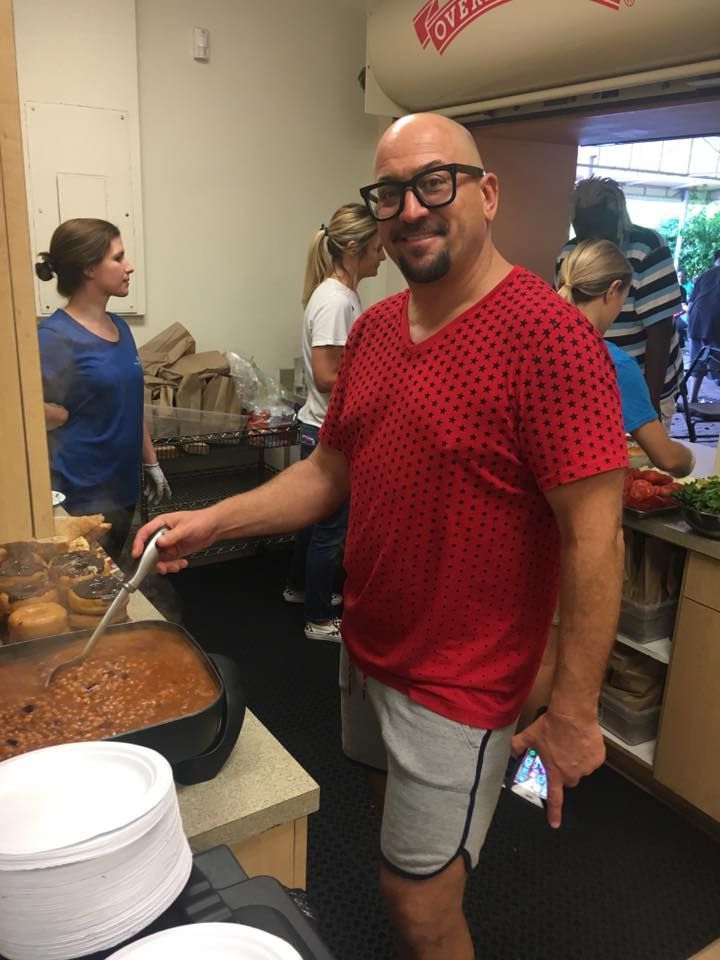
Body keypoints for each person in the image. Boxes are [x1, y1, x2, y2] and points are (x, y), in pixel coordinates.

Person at [134, 114, 628, 960]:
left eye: (436, 182)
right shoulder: (373, 328)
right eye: (391, 191)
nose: (411, 209)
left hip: (463, 677)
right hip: (368, 648)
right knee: (384, 812)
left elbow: (596, 536)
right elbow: (330, 473)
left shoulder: (547, 335)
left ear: (487, 192)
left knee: (416, 903)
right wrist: (215, 520)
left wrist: (576, 710)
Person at [36, 218, 171, 562]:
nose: (129, 267)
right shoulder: (54, 337)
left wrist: (150, 461)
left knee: (108, 581)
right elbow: (20, 411)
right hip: (79, 492)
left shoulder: (120, 327)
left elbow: (130, 401)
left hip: (121, 487)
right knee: (85, 588)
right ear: (88, 269)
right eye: (118, 257)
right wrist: (59, 413)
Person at [283, 204, 385, 642]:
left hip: (319, 425)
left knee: (313, 520)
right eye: (378, 248)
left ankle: (301, 589)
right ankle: (319, 618)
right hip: (330, 429)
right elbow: (327, 376)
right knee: (331, 529)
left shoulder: (340, 294)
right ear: (353, 248)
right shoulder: (337, 300)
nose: (383, 256)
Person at [557, 239, 694, 478]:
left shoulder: (534, 344)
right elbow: (668, 459)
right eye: (625, 296)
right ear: (613, 290)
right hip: (584, 499)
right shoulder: (613, 363)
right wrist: (691, 459)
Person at [556, 177, 683, 425]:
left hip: (646, 382)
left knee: (643, 456)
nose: (593, 242)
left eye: (600, 232)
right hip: (593, 385)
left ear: (619, 224)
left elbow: (660, 330)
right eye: (584, 233)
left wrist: (650, 405)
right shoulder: (568, 255)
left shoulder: (648, 247)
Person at [686, 249, 720, 402]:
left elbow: (691, 302)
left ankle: (692, 399)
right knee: (716, 364)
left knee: (697, 361)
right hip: (716, 324)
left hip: (697, 321)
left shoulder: (705, 274)